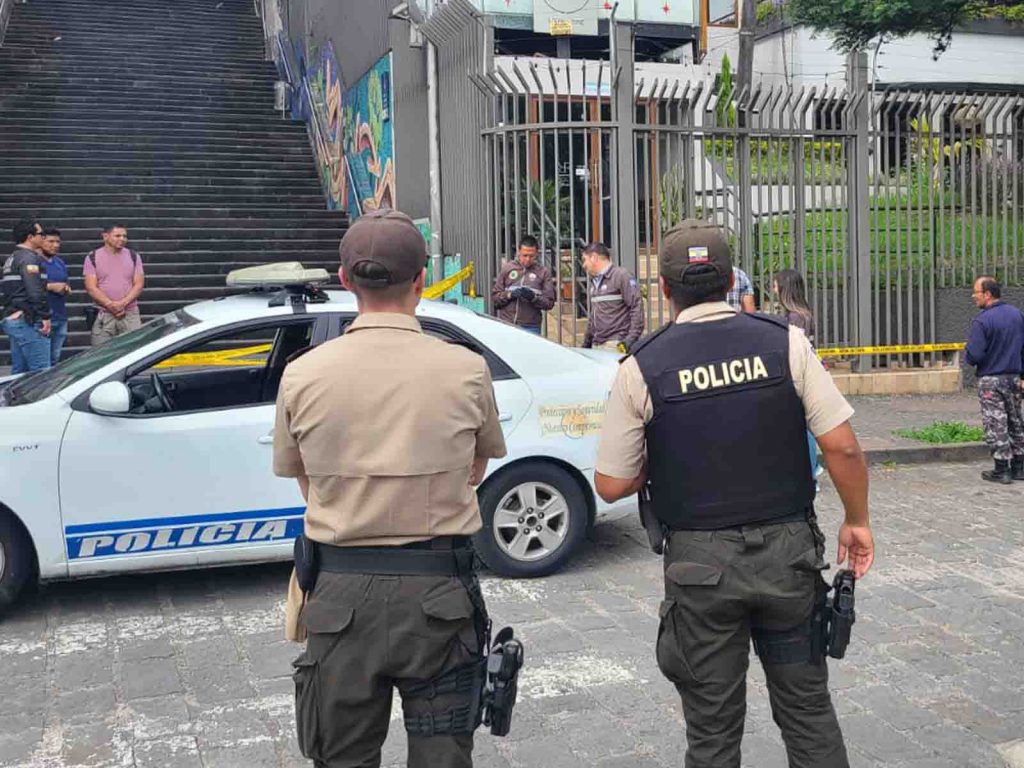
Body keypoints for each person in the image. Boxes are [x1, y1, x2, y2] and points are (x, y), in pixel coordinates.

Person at [594, 219, 874, 768]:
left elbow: (611, 484)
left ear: (665, 290)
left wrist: (668, 443)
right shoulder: (784, 342)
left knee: (713, 731)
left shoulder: (642, 365)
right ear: (729, 282)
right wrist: (857, 520)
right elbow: (841, 447)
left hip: (700, 569)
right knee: (808, 712)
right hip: (788, 556)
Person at [274, 208, 508, 767]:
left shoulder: (303, 373)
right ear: (422, 279)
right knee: (443, 757)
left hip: (339, 599)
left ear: (344, 279)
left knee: (342, 758)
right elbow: (475, 469)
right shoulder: (465, 368)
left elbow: (306, 483)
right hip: (439, 601)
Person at [965, 275, 1024, 484]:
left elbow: (975, 355)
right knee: (1016, 420)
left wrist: (969, 353)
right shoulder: (1017, 315)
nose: (974, 297)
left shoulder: (982, 321)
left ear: (988, 294)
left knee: (995, 422)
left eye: (976, 293)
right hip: (1015, 378)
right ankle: (1020, 466)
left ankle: (1002, 469)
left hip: (991, 379)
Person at [773, 269, 819, 480]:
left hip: (797, 372)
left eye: (776, 285)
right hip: (808, 369)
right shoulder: (803, 313)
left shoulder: (794, 317)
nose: (773, 289)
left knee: (802, 426)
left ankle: (810, 471)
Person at [2, 219, 52, 374]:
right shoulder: (28, 258)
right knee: (41, 372)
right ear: (30, 237)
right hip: (28, 319)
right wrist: (44, 316)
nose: (43, 237)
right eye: (41, 234)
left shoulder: (14, 257)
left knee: (20, 373)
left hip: (16, 316)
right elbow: (34, 290)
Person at [84, 223, 145, 346]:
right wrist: (110, 305)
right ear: (105, 236)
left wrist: (122, 304)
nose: (122, 239)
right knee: (100, 353)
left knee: (133, 351)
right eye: (117, 236)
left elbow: (138, 284)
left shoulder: (133, 256)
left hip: (130, 313)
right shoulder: (93, 257)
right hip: (104, 314)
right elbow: (91, 287)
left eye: (124, 236)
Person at [580, 242, 645, 353]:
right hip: (597, 345)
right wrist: (586, 344)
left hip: (615, 345)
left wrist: (630, 340)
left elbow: (636, 307)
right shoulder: (594, 283)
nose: (583, 265)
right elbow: (593, 316)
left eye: (584, 259)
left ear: (594, 258)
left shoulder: (621, 276)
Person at [491, 235, 555, 334]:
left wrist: (534, 298)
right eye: (524, 255)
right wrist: (509, 295)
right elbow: (495, 297)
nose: (528, 259)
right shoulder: (507, 268)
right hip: (507, 323)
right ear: (518, 252)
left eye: (531, 256)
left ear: (536, 254)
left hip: (531, 326)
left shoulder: (543, 272)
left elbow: (549, 303)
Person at [40, 228, 71, 365]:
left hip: (60, 315)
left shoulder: (59, 262)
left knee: (54, 359)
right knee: (41, 361)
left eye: (58, 241)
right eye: (51, 241)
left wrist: (66, 288)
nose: (55, 245)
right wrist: (51, 286)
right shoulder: (33, 261)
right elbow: (25, 285)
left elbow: (66, 282)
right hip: (42, 317)